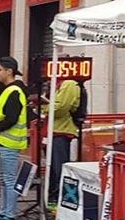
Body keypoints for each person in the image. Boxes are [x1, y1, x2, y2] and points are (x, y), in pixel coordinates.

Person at [0, 57, 28, 220]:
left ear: (9, 71)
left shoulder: (14, 91)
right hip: (5, 143)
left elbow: (11, 119)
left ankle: (8, 215)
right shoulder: (11, 90)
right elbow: (7, 115)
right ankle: (4, 212)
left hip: (9, 143)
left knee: (9, 181)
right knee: (5, 181)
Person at [39, 80, 81, 208]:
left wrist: (44, 106)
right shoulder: (55, 85)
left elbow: (60, 108)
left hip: (61, 134)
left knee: (59, 171)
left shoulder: (69, 84)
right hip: (51, 133)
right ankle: (52, 201)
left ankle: (58, 204)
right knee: (52, 171)